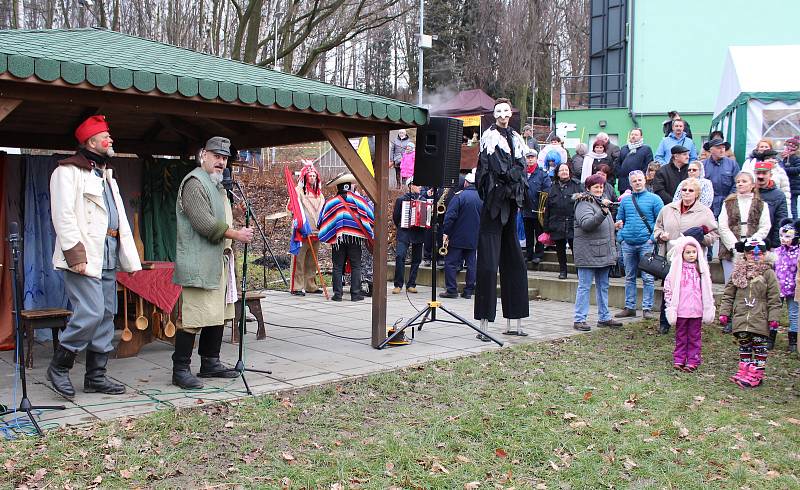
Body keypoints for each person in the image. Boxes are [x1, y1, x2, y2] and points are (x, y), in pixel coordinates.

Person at [47, 115, 142, 399]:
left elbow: (119, 220)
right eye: (105, 136)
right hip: (85, 253)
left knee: (105, 314)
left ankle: (96, 377)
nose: (110, 139)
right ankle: (59, 367)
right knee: (89, 312)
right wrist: (75, 254)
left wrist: (129, 257)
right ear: (90, 141)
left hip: (109, 252)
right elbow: (63, 217)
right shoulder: (66, 172)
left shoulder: (105, 175)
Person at [171, 136, 254, 389]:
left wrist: (236, 213)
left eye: (224, 158)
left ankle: (210, 362)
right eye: (216, 156)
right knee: (194, 315)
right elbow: (204, 223)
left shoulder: (216, 185)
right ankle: (180, 369)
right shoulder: (195, 183)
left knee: (218, 313)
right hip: (198, 261)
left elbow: (219, 217)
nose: (221, 162)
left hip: (218, 262)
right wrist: (237, 234)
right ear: (203, 155)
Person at [474, 98, 531, 332]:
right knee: (488, 264)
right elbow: (498, 168)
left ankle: (515, 321)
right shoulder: (489, 138)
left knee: (515, 261)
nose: (503, 116)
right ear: (494, 114)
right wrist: (511, 175)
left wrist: (514, 177)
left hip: (511, 202)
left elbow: (520, 167)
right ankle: (485, 322)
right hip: (494, 205)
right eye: (500, 112)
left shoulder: (516, 138)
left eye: (507, 112)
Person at [653, 177, 719, 334]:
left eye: (691, 190)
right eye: (684, 189)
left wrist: (700, 238)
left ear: (697, 194)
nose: (687, 193)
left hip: (692, 260)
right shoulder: (668, 209)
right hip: (671, 257)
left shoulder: (705, 212)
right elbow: (657, 228)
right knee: (668, 288)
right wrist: (660, 235)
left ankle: (690, 321)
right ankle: (665, 321)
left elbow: (714, 235)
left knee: (689, 290)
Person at [719, 238, 781, 388]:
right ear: (745, 254)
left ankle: (757, 373)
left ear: (765, 254)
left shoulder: (768, 273)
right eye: (751, 253)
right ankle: (744, 370)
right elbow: (728, 294)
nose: (755, 256)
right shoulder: (738, 272)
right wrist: (725, 313)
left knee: (759, 346)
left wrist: (773, 317)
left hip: (759, 316)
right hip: (741, 316)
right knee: (744, 344)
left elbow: (774, 298)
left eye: (759, 253)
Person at [572, 173, 621, 332]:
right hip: (588, 252)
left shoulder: (600, 203)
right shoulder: (584, 203)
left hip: (603, 252)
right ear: (588, 188)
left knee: (603, 286)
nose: (600, 189)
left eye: (601, 187)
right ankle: (579, 319)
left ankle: (604, 317)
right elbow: (587, 224)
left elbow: (601, 227)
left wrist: (614, 226)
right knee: (584, 287)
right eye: (596, 187)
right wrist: (604, 212)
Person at [614, 170, 663, 319]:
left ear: (645, 180)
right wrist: (621, 237)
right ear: (630, 183)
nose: (637, 183)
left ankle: (647, 308)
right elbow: (619, 220)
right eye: (634, 181)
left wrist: (652, 239)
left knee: (648, 278)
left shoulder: (655, 199)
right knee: (629, 276)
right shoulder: (626, 201)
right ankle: (630, 307)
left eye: (640, 180)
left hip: (646, 243)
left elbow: (660, 221)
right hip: (628, 243)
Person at [318, 173, 375, 302]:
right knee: (356, 266)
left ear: (338, 187)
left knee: (337, 266)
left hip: (338, 240)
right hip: (355, 239)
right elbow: (371, 216)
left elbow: (321, 221)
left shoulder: (331, 202)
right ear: (349, 186)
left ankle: (337, 294)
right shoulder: (359, 200)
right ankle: (355, 294)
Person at [663, 236, 715, 372]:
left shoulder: (701, 269)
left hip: (696, 310)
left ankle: (693, 359)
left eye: (694, 252)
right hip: (681, 310)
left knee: (694, 336)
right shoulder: (676, 270)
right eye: (688, 252)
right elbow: (669, 287)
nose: (691, 255)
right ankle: (679, 358)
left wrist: (707, 306)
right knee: (681, 335)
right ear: (682, 253)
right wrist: (670, 305)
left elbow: (707, 289)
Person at [717, 171, 770, 284]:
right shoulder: (728, 203)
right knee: (730, 284)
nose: (740, 184)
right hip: (730, 250)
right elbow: (722, 226)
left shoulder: (761, 204)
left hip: (753, 251)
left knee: (753, 284)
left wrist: (749, 244)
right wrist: (734, 246)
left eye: (744, 181)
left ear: (752, 185)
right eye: (738, 182)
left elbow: (765, 226)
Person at [440, 169, 482, 299]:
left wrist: (446, 232)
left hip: (457, 237)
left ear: (466, 183)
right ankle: (468, 291)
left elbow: (450, 217)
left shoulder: (459, 196)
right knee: (471, 264)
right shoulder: (482, 198)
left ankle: (452, 290)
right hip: (474, 237)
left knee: (451, 263)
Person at [288, 162, 325, 296]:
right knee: (299, 259)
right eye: (310, 176)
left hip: (317, 232)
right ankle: (296, 286)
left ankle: (310, 285)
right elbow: (291, 207)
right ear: (305, 177)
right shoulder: (298, 191)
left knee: (312, 260)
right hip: (302, 232)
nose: (312, 178)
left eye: (314, 176)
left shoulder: (319, 194)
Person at [544, 163, 582, 279]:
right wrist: (546, 227)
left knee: (576, 249)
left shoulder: (577, 185)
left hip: (572, 222)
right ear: (557, 173)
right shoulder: (552, 187)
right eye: (561, 170)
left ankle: (580, 272)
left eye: (566, 170)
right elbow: (547, 208)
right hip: (556, 223)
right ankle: (563, 271)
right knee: (560, 250)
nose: (564, 172)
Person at [391, 178, 425, 294]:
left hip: (418, 232)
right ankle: (398, 284)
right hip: (404, 232)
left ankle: (411, 284)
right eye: (417, 185)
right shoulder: (401, 200)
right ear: (410, 186)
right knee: (400, 256)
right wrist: (402, 225)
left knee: (416, 259)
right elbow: (395, 217)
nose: (420, 187)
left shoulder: (424, 200)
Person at [773, 219, 799, 352]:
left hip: (794, 289)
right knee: (774, 313)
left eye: (787, 236)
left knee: (793, 313)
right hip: (777, 288)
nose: (783, 239)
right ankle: (770, 337)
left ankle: (794, 340)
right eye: (781, 236)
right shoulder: (777, 252)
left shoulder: (798, 253)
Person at [743, 139, 791, 211]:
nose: (764, 149)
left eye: (766, 147)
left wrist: (786, 207)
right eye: (762, 146)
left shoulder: (779, 168)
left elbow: (785, 189)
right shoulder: (750, 162)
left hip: (775, 202)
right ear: (757, 148)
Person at [522, 148, 551, 263]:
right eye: (528, 157)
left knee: (539, 233)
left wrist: (544, 206)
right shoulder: (522, 173)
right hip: (525, 208)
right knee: (528, 233)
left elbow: (547, 190)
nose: (530, 159)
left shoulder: (542, 174)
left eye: (532, 157)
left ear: (536, 158)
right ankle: (529, 254)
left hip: (538, 209)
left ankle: (539, 254)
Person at [753, 161, 789, 249]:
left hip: (768, 242)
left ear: (770, 174)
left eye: (764, 173)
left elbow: (780, 220)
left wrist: (775, 244)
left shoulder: (779, 195)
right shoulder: (748, 191)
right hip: (748, 241)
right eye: (758, 173)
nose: (760, 176)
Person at [702, 139, 737, 219]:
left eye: (723, 147)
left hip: (728, 203)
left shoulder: (732, 164)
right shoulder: (703, 165)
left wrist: (729, 199)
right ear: (711, 150)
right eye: (718, 148)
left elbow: (737, 183)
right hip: (708, 205)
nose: (722, 150)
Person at [616, 128, 654, 194]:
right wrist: (620, 174)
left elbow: (648, 165)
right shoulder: (624, 148)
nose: (633, 136)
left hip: (639, 183)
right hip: (624, 184)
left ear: (641, 137)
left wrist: (640, 177)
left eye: (636, 135)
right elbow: (618, 163)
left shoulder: (646, 149)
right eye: (632, 134)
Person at [780, 136, 800, 217]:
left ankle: (795, 222)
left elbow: (798, 169)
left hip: (793, 186)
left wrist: (785, 169)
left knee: (793, 207)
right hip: (787, 185)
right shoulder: (785, 159)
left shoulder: (796, 158)